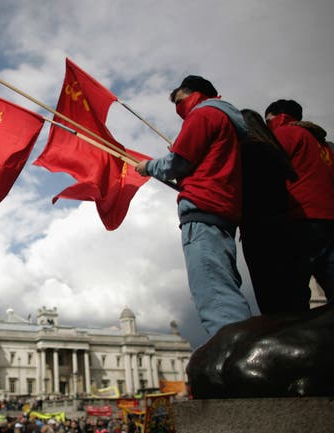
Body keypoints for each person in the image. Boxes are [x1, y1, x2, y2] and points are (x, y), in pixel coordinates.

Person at [135, 75, 252, 336]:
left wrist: (149, 167)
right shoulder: (228, 120)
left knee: (214, 292)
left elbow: (178, 162)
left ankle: (232, 354)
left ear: (193, 94)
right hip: (223, 209)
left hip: (203, 208)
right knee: (224, 282)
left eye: (179, 101)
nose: (179, 110)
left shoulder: (203, 115)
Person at [265, 99, 334, 307]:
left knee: (291, 292)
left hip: (301, 218)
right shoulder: (325, 146)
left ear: (278, 117)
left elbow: (266, 172)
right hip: (329, 221)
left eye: (268, 122)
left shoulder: (285, 134)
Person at [239, 109, 298, 313]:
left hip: (259, 230)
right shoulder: (274, 151)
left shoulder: (247, 152)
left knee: (272, 299)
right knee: (294, 296)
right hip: (287, 227)